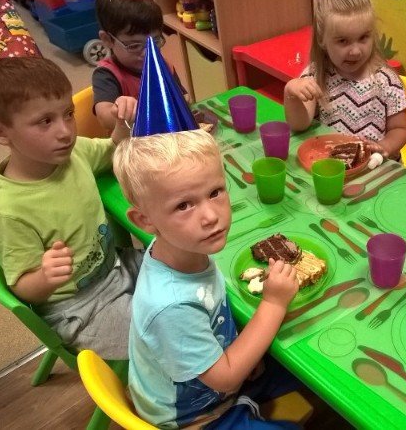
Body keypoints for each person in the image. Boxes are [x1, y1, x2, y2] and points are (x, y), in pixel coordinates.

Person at [0, 0, 138, 359]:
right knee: (167, 330)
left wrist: (122, 123)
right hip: (78, 308)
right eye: (44, 121)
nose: (65, 131)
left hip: (116, 267)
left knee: (185, 267)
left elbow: (114, 150)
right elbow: (22, 286)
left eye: (67, 114)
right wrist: (43, 278)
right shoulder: (9, 211)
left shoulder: (73, 153)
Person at [115, 130, 301, 428]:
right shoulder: (171, 306)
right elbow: (226, 378)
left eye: (215, 192)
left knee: (311, 364)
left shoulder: (183, 248)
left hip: (218, 377)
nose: (211, 216)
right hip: (196, 417)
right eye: (183, 205)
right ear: (145, 220)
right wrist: (274, 303)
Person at [283, 0, 406, 159]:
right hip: (333, 164)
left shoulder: (386, 81)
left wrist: (385, 147)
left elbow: (400, 129)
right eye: (343, 41)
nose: (355, 51)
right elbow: (299, 125)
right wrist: (291, 94)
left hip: (375, 165)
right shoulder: (317, 74)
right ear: (322, 40)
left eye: (363, 37)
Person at [92, 0, 166, 132]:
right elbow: (104, 118)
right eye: (134, 46)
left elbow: (184, 97)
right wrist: (121, 112)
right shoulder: (106, 75)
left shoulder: (161, 64)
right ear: (107, 39)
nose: (147, 53)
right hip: (130, 144)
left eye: (155, 42)